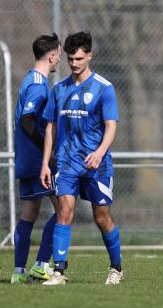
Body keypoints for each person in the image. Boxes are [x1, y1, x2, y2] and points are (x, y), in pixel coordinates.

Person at [39, 31, 122, 286]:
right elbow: (50, 127)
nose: (74, 64)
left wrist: (99, 152)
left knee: (102, 218)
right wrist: (45, 163)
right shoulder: (59, 89)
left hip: (96, 165)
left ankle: (116, 267)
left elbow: (111, 126)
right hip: (67, 162)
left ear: (90, 56)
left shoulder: (104, 88)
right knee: (64, 211)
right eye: (70, 59)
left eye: (78, 58)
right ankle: (59, 271)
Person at [11, 34, 62, 283]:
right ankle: (41, 264)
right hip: (37, 161)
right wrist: (48, 149)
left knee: (29, 214)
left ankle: (19, 273)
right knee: (64, 208)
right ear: (52, 56)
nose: (58, 63)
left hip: (26, 159)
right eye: (59, 58)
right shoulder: (37, 84)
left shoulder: (29, 80)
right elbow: (27, 120)